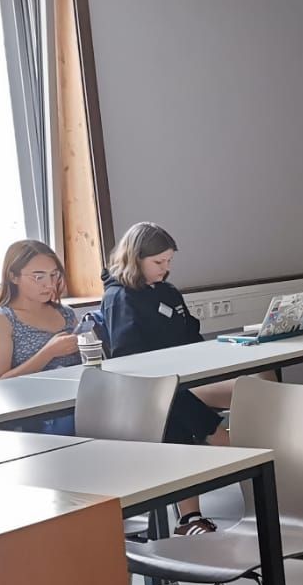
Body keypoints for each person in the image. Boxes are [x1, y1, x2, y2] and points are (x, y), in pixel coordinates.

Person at [100, 221, 233, 535]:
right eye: (159, 262)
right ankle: (191, 516)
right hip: (144, 389)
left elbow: (191, 336)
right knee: (185, 425)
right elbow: (126, 357)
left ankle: (192, 515)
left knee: (203, 423)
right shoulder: (119, 297)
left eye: (169, 261)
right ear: (136, 259)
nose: (166, 268)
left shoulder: (167, 292)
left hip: (177, 383)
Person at [0, 240, 82, 434]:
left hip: (76, 399)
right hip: (37, 413)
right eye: (38, 277)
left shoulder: (65, 313)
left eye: (54, 275)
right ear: (13, 277)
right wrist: (48, 352)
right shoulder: (1, 320)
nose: (49, 284)